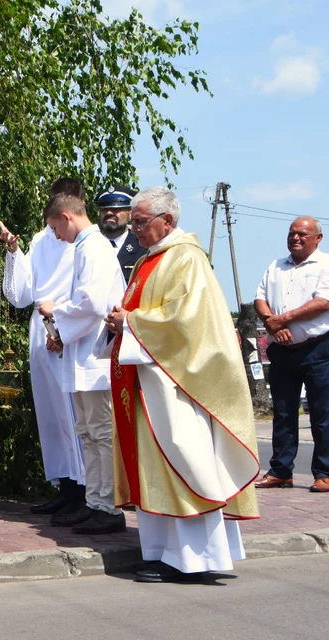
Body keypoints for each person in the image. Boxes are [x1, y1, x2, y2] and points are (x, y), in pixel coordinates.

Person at [105, 186, 260, 582]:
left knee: (184, 463)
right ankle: (160, 553)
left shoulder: (186, 259)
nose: (134, 229)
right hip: (148, 379)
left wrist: (132, 323)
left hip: (178, 384)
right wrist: (121, 320)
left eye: (140, 222)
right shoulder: (150, 260)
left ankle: (193, 559)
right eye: (134, 222)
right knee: (154, 468)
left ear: (166, 221)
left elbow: (186, 322)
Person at [0, 179, 87, 519]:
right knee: (50, 414)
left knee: (72, 414)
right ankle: (64, 487)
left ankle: (83, 493)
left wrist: (63, 326)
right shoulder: (40, 238)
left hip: (69, 328)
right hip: (42, 326)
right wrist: (14, 253)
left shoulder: (84, 243)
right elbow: (23, 294)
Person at [38, 192, 126, 535]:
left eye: (55, 227)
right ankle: (95, 502)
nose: (56, 235)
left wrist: (55, 313)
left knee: (101, 433)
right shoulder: (84, 247)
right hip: (82, 351)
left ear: (66, 217)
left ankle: (108, 506)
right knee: (88, 433)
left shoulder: (95, 248)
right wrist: (62, 327)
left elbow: (93, 302)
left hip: (97, 356)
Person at [254, 217, 329, 493]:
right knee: (283, 413)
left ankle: (324, 472)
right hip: (282, 349)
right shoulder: (276, 266)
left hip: (318, 348)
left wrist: (281, 320)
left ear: (317, 238)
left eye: (302, 234)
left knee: (323, 413)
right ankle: (281, 471)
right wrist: (273, 322)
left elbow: (324, 302)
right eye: (292, 233)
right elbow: (260, 298)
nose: (295, 238)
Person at [96, 184, 146, 281]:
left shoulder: (142, 248)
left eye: (116, 209)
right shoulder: (91, 245)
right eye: (104, 209)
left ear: (130, 213)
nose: (109, 213)